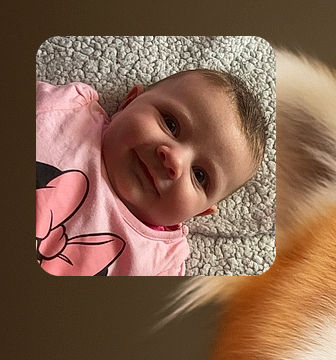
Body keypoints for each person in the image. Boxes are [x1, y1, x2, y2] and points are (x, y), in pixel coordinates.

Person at [36, 68, 267, 276]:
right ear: (129, 102)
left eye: (199, 176)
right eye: (171, 124)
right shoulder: (66, 111)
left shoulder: (161, 264)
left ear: (201, 211)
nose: (174, 161)